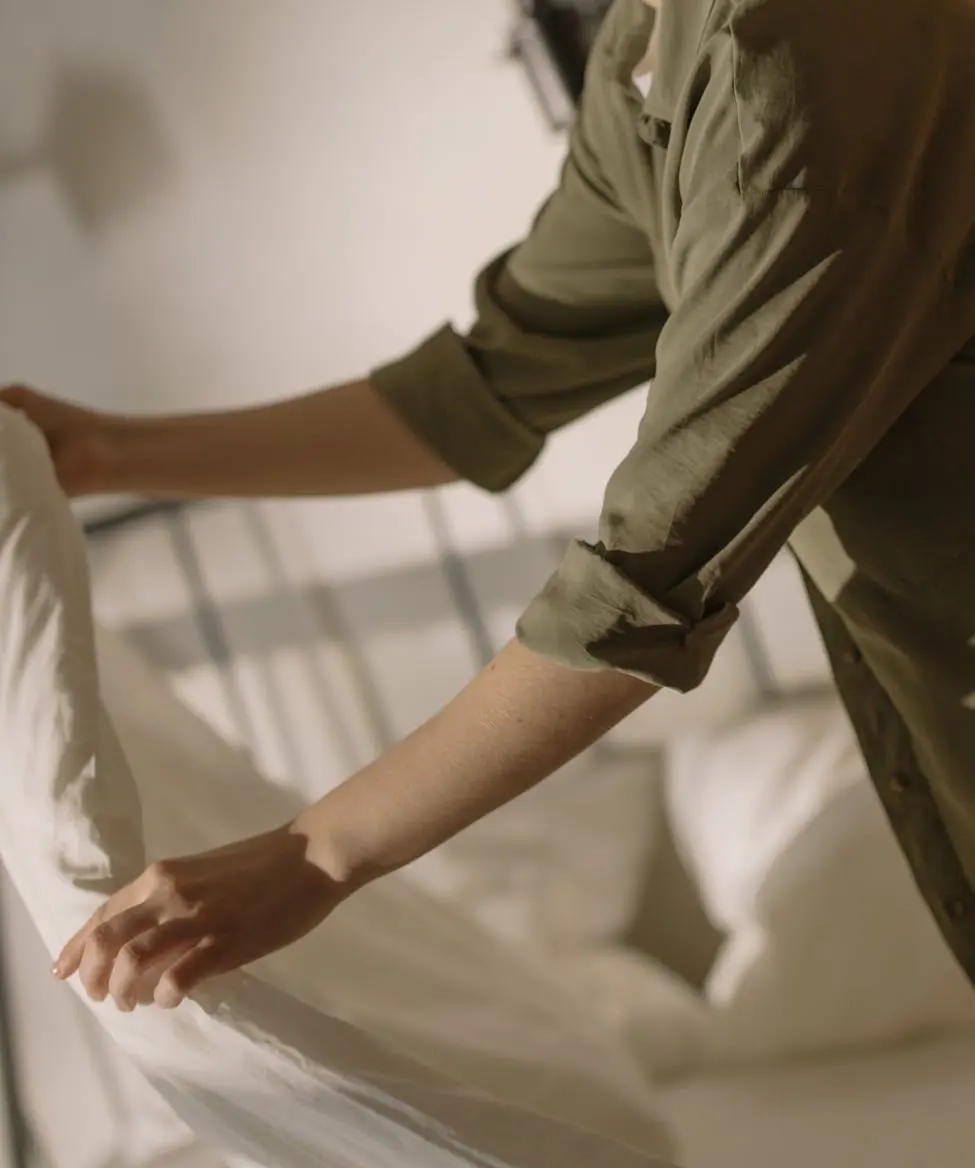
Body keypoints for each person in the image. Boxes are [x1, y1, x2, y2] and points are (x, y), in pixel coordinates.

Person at [4, 0, 975, 1016]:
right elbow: (487, 386)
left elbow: (652, 565)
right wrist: (103, 452)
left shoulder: (803, 51)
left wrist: (316, 854)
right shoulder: (647, 48)